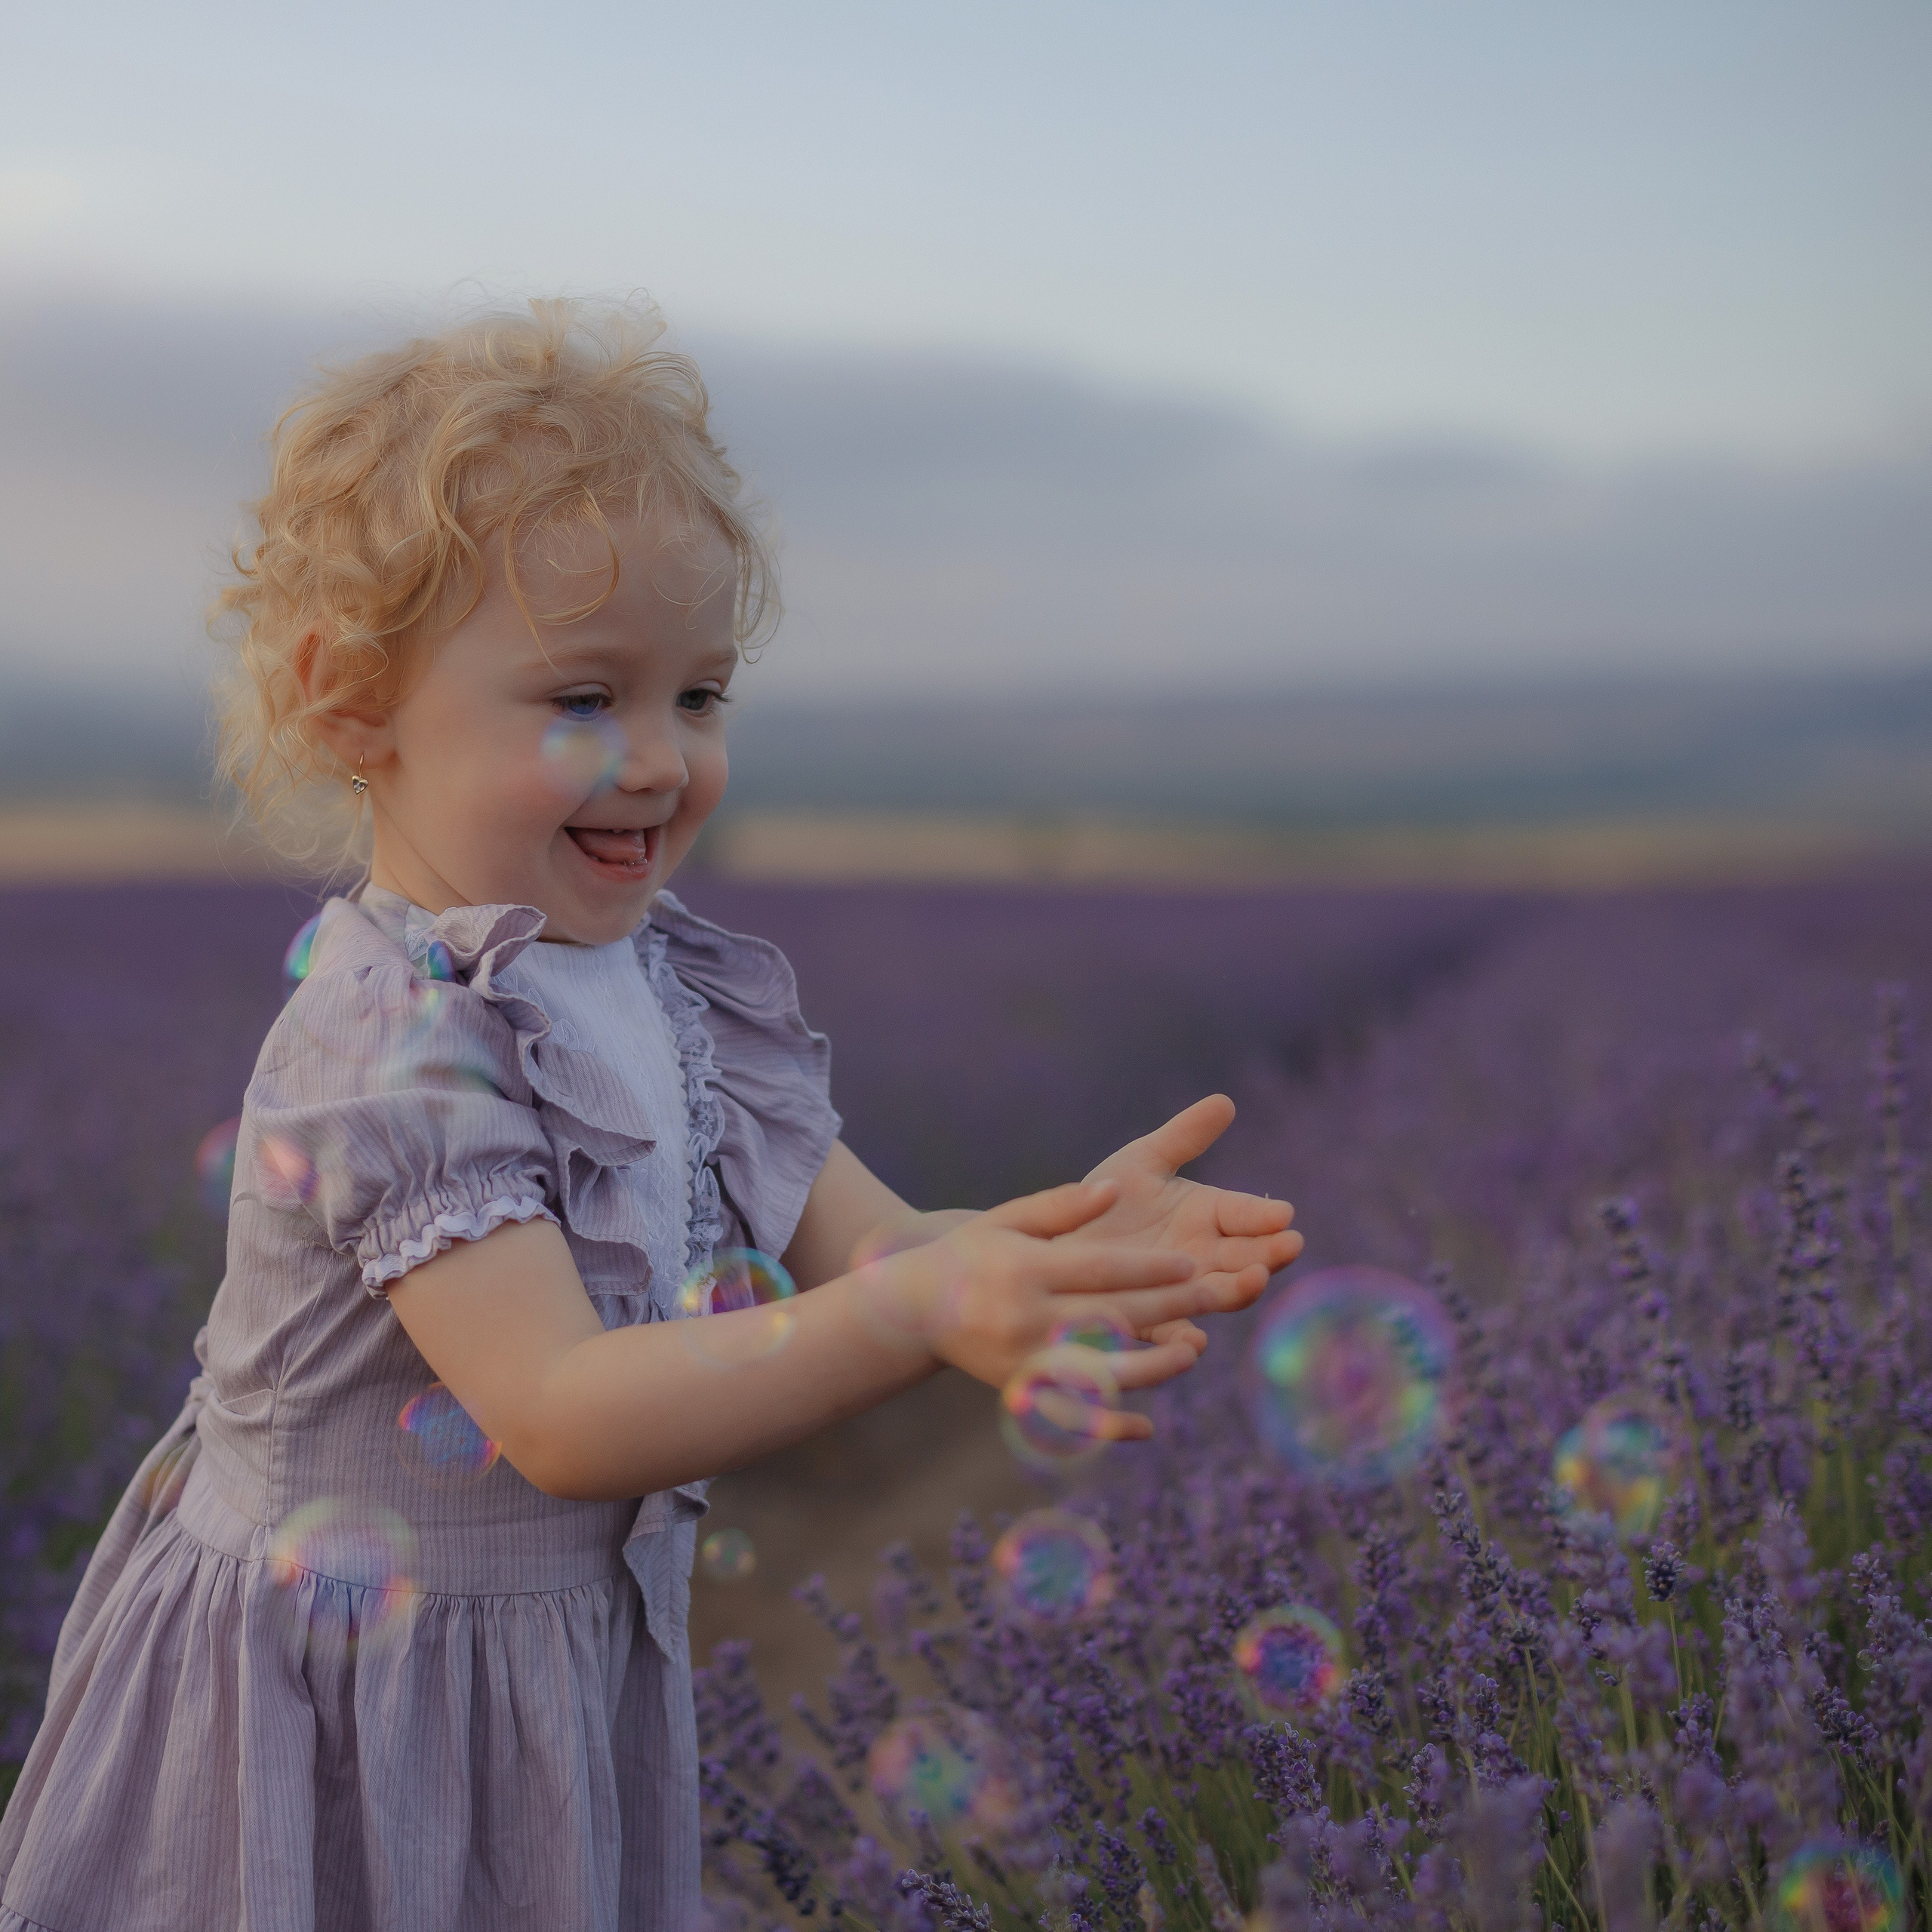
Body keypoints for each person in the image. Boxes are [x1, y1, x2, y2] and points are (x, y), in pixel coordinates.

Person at [0, 300, 1301, 1932]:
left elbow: (873, 1237)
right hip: (338, 1695)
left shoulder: (673, 991)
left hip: (549, 1672)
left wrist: (1047, 1244)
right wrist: (912, 1308)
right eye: (580, 698)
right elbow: (555, 1406)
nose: (657, 759)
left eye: (699, 694)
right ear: (353, 707)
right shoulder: (387, 1042)